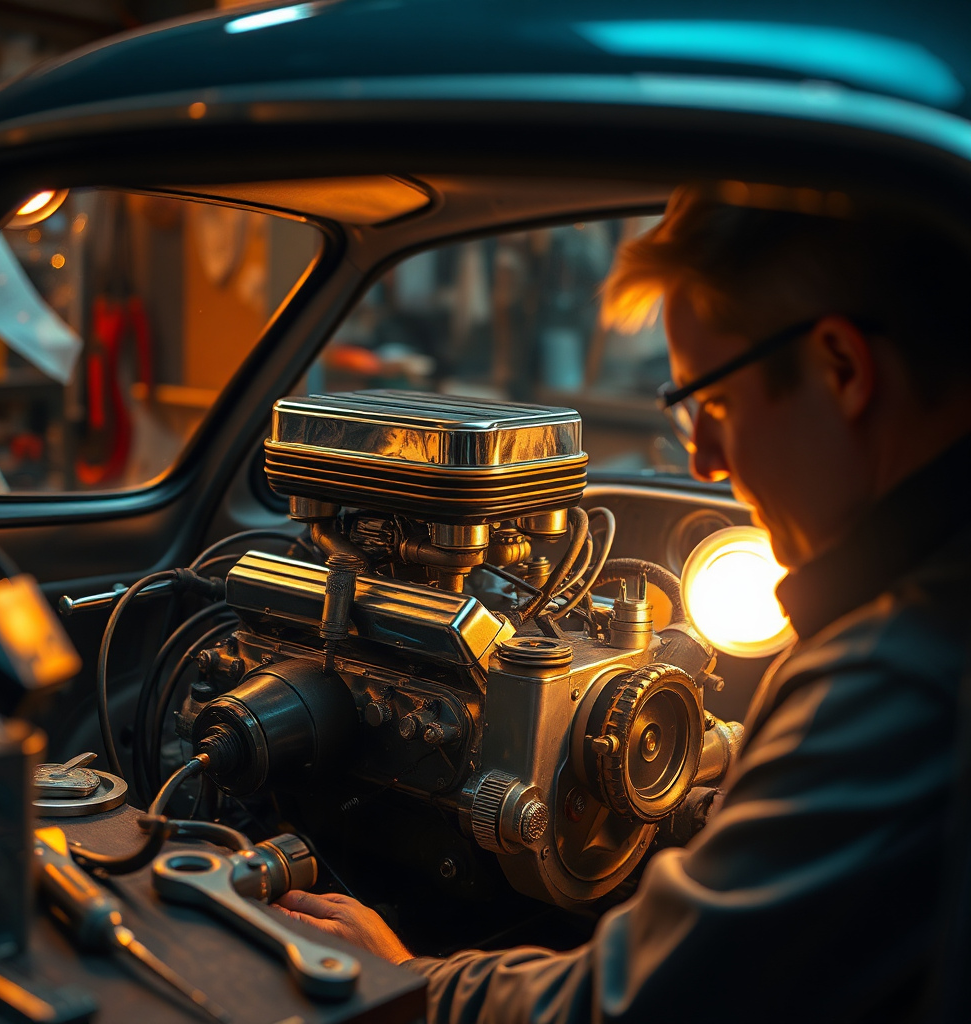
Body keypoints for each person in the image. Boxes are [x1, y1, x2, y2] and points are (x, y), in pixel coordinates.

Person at [275, 184, 971, 1022]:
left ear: (841, 369)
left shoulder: (897, 676)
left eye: (713, 404)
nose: (707, 461)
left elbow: (643, 1007)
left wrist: (416, 986)